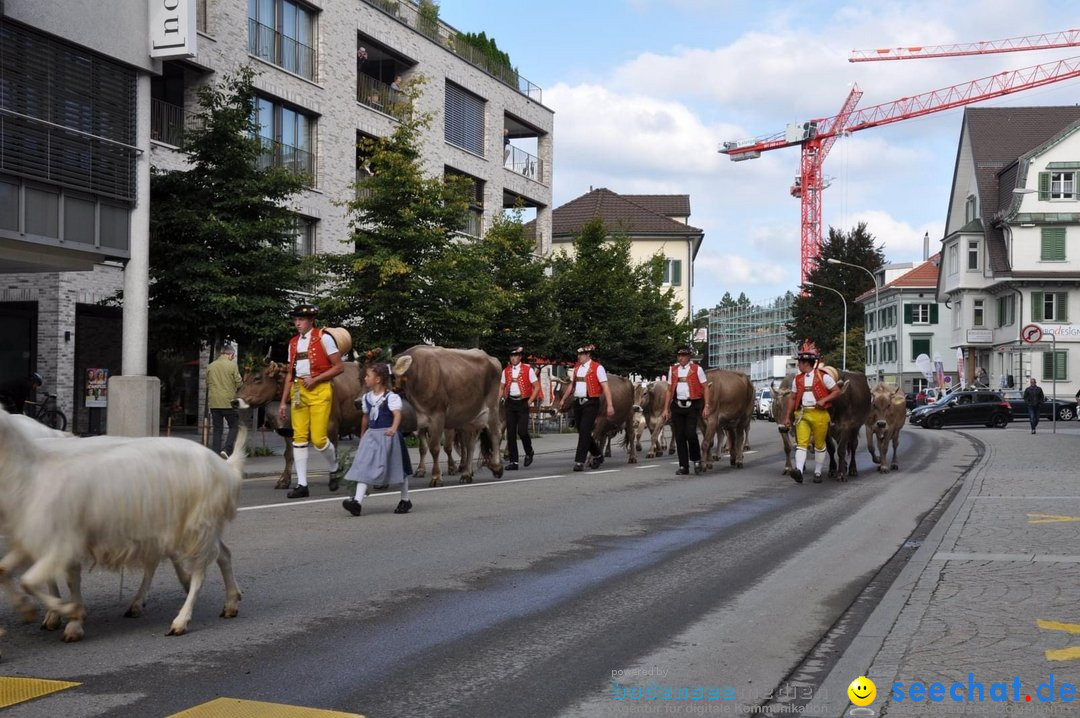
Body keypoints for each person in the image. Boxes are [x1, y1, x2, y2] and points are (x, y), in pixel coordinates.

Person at [278, 304, 345, 498]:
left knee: (318, 439)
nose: (297, 323)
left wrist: (316, 379)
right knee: (298, 438)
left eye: (301, 320)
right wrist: (283, 402)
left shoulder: (324, 339)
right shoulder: (292, 343)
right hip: (299, 391)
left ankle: (334, 467)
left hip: (319, 390)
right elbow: (290, 375)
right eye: (295, 320)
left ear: (310, 321)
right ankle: (302, 484)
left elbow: (339, 367)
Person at [342, 362, 414, 516]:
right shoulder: (367, 398)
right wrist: (363, 434)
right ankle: (357, 502)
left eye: (368, 376)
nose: (365, 379)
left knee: (398, 468)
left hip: (388, 436)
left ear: (378, 379)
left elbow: (397, 414)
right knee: (364, 466)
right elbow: (366, 417)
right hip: (372, 436)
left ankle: (405, 499)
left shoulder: (391, 397)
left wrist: (394, 428)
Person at [781, 341, 842, 484]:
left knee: (820, 444)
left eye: (799, 363)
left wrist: (824, 400)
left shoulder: (823, 376)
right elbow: (793, 397)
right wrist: (788, 416)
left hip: (819, 414)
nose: (798, 365)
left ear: (806, 363)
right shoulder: (798, 379)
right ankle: (799, 471)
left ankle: (818, 472)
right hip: (802, 414)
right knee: (801, 443)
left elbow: (837, 391)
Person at [559, 344, 615, 472]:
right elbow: (571, 386)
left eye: (581, 354)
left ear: (588, 355)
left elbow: (605, 387)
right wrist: (563, 399)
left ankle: (579, 461)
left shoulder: (597, 368)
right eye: (578, 354)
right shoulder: (577, 368)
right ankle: (598, 455)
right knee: (582, 431)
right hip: (578, 403)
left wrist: (610, 404)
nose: (579, 357)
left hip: (591, 402)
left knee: (584, 431)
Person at [659, 346, 711, 475]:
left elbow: (705, 388)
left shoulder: (697, 369)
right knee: (679, 436)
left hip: (692, 405)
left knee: (691, 434)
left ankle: (696, 460)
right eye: (679, 355)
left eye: (683, 355)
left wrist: (707, 406)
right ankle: (683, 466)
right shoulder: (673, 370)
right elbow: (670, 390)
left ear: (689, 357)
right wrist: (666, 409)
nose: (681, 358)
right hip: (677, 405)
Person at [501, 346, 542, 470]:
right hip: (510, 403)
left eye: (516, 356)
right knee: (511, 433)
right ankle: (514, 461)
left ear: (520, 357)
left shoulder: (527, 369)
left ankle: (529, 452)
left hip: (523, 402)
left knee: (522, 431)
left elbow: (537, 387)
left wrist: (529, 401)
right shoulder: (506, 371)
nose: (513, 358)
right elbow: (501, 387)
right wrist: (501, 397)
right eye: (512, 356)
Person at [206, 345, 243, 458]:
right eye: (233, 355)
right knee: (234, 426)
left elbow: (207, 383)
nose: (233, 357)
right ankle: (227, 450)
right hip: (228, 402)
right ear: (230, 354)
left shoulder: (210, 366)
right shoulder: (232, 366)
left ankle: (215, 454)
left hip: (214, 402)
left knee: (217, 429)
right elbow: (239, 383)